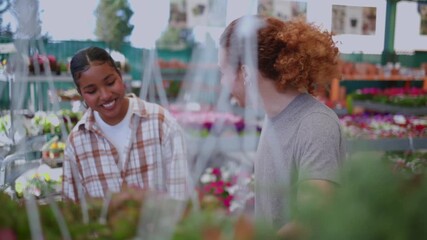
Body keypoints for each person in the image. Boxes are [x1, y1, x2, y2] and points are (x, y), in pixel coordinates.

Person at [219, 15, 345, 234]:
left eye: (223, 72)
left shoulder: (315, 125)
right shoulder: (273, 116)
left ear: (246, 73)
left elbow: (312, 223)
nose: (222, 82)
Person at [62, 46, 190, 202]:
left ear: (120, 75)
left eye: (110, 82)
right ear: (81, 94)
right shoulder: (77, 143)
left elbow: (181, 194)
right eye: (91, 91)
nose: (105, 95)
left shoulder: (160, 122)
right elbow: (72, 208)